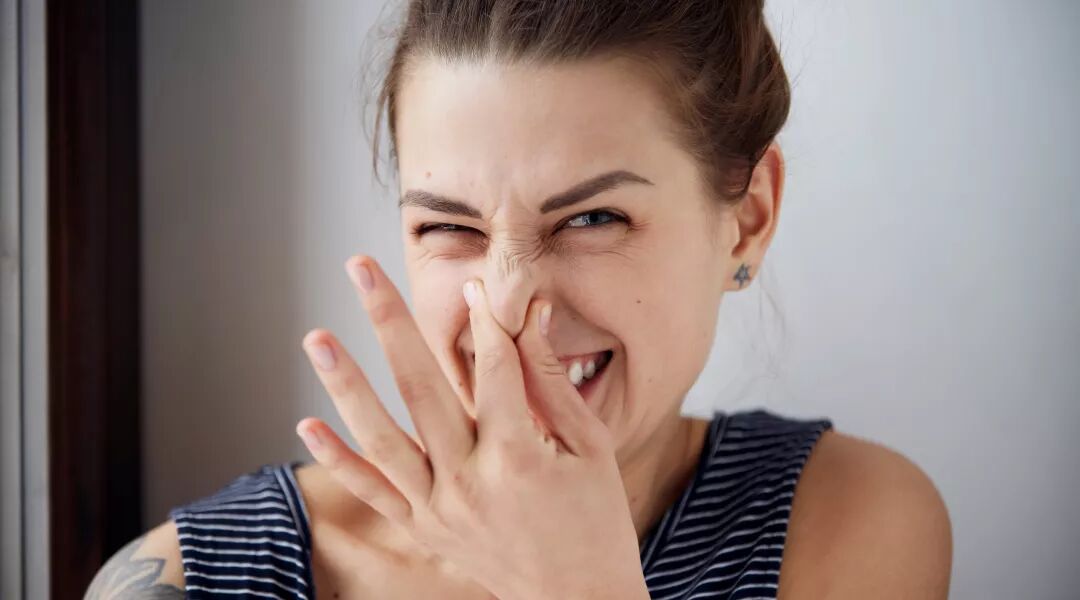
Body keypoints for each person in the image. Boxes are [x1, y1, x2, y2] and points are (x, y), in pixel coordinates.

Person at [85, 1, 952, 598]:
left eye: (593, 218)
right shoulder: (191, 580)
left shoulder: (846, 526)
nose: (503, 307)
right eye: (447, 227)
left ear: (747, 218)